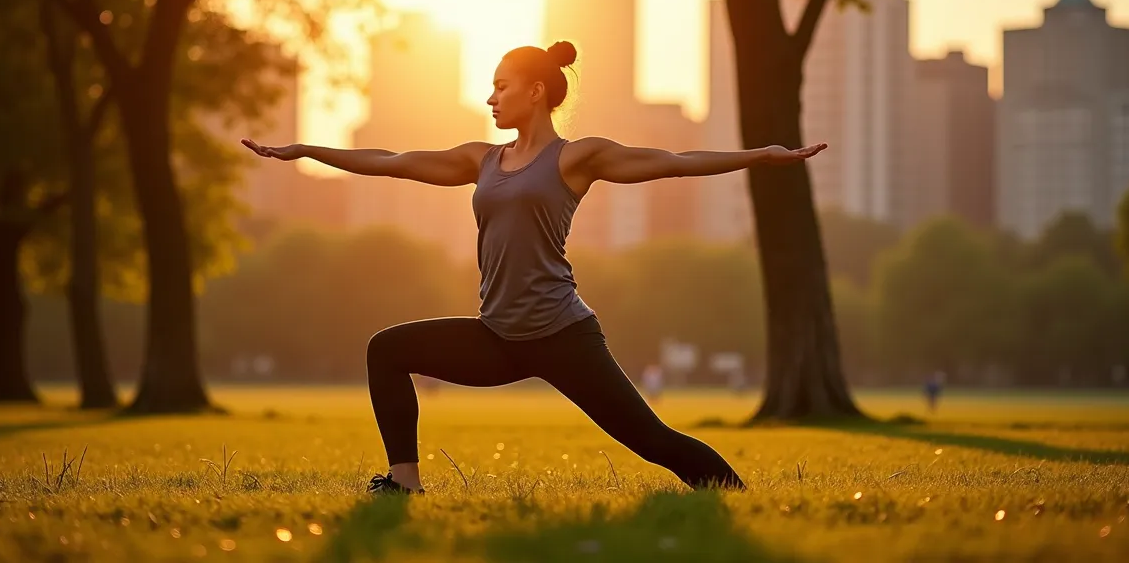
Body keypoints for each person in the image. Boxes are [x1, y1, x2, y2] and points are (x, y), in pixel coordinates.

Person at [242, 40, 827, 494]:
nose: (491, 99)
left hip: (562, 335)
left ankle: (733, 493)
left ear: (537, 93)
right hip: (497, 335)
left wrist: (763, 155)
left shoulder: (576, 158)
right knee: (386, 349)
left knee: (653, 441)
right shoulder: (482, 160)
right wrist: (310, 151)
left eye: (501, 87)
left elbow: (673, 161)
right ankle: (403, 482)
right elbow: (394, 160)